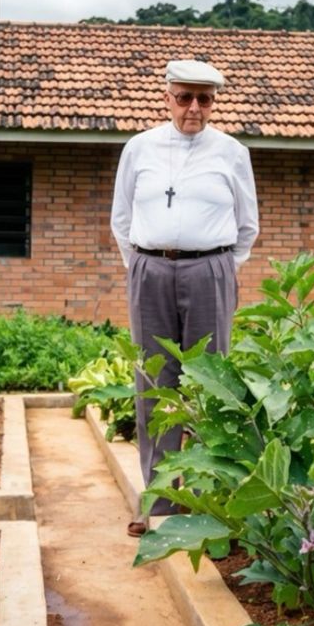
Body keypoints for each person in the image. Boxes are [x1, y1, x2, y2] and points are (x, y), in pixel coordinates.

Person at [110, 59, 259, 537]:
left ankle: (204, 498)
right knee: (154, 381)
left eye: (205, 99)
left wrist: (217, 269)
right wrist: (140, 266)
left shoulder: (232, 152)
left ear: (214, 102)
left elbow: (247, 226)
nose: (194, 108)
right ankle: (157, 499)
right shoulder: (139, 148)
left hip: (210, 269)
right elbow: (121, 219)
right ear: (167, 96)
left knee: (209, 381)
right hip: (149, 268)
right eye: (184, 97)